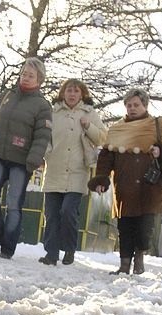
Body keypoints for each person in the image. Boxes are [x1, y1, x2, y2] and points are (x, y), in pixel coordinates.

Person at [88, 87, 162, 275]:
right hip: (124, 186)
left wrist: (160, 152)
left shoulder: (158, 125)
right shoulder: (116, 129)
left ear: (145, 105)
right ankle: (124, 265)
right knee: (125, 228)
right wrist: (101, 179)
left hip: (150, 187)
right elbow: (106, 157)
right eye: (129, 105)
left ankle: (139, 260)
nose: (132, 108)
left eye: (136, 105)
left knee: (143, 230)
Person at [0, 58, 52, 260]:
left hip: (22, 162)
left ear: (39, 79)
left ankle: (8, 246)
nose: (26, 77)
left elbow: (42, 136)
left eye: (31, 75)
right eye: (23, 73)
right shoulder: (7, 96)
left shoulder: (42, 105)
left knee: (13, 204)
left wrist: (34, 159)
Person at [39, 79, 107, 267]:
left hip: (77, 172)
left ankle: (69, 249)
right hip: (54, 169)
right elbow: (43, 135)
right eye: (69, 90)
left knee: (68, 211)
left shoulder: (89, 113)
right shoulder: (52, 112)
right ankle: (51, 254)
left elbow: (103, 137)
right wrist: (46, 152)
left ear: (82, 94)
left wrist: (88, 126)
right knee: (52, 214)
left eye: (76, 91)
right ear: (63, 93)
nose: (72, 94)